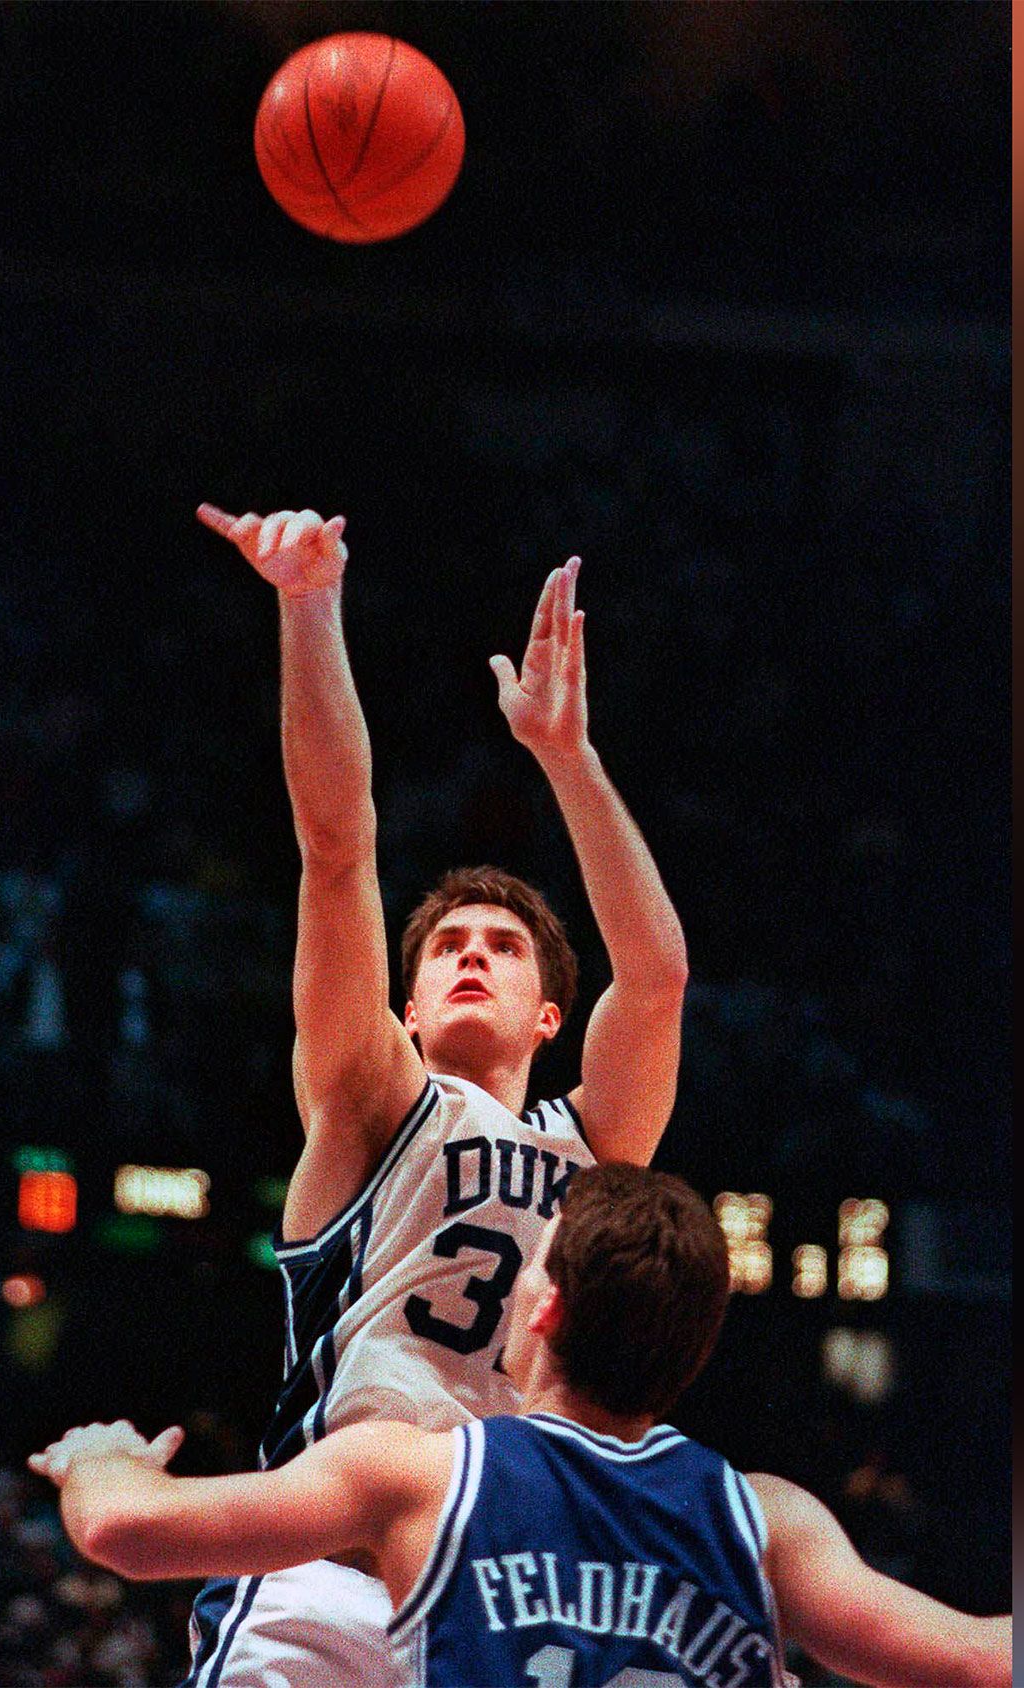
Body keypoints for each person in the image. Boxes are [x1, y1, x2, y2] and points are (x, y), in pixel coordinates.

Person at [174, 504, 695, 1682]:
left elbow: (656, 976)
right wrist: (309, 607)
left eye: (504, 946)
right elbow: (336, 840)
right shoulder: (371, 1099)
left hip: (501, 1593)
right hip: (329, 1575)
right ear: (404, 1008)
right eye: (447, 943)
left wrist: (570, 759)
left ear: (549, 1015)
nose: (471, 952)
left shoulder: (592, 1140)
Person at [32, 1165, 1014, 1688]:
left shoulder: (421, 1474)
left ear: (542, 1305)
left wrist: (102, 1457)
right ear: (694, 1348)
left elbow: (122, 1527)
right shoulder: (765, 1519)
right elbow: (980, 1658)